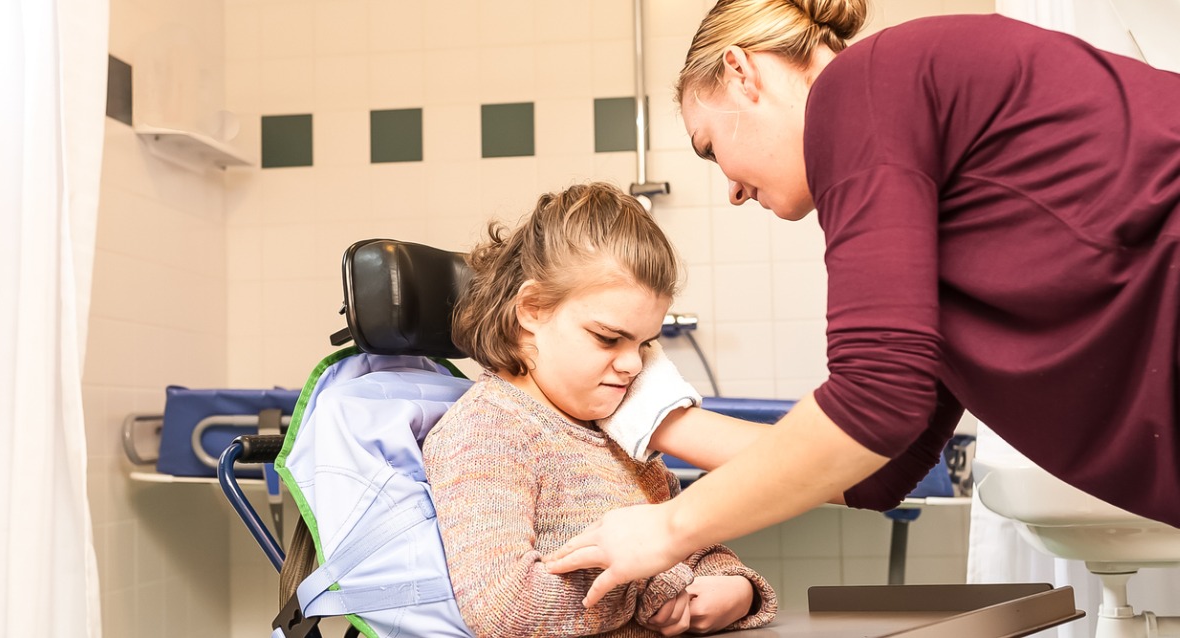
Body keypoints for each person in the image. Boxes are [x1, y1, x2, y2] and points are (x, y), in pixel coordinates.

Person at [543, 0, 1180, 608]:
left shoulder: (861, 87)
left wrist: (668, 527)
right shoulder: (900, 137)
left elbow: (875, 402)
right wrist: (657, 417)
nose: (731, 188)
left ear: (741, 72)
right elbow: (878, 469)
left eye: (710, 147)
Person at [421, 181, 777, 637]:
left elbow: (690, 547)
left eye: (645, 343)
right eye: (608, 338)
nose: (632, 364)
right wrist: (654, 585)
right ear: (531, 309)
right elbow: (505, 609)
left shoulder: (613, 424)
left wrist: (734, 588)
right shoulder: (487, 431)